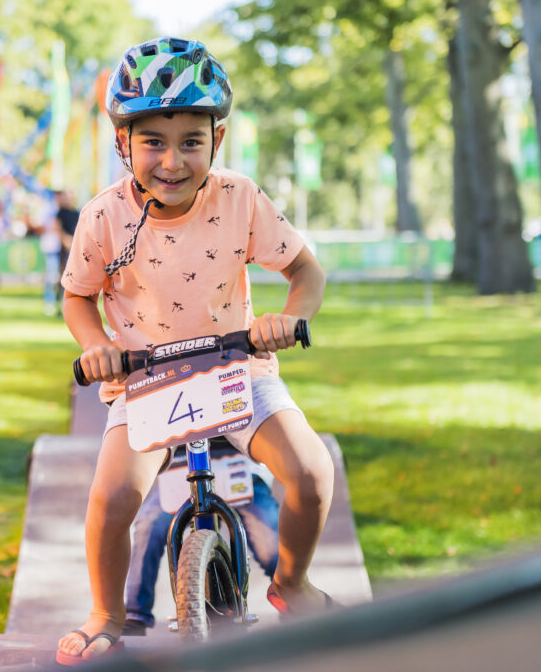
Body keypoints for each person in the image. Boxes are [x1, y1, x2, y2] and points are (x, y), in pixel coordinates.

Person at [56, 37, 333, 665]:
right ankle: (106, 612)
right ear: (122, 143)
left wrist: (289, 319)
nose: (173, 161)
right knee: (110, 501)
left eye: (191, 141)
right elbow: (77, 297)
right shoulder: (103, 217)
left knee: (311, 472)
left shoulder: (239, 198)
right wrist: (96, 343)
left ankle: (291, 583)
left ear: (218, 139)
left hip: (237, 367)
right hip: (147, 380)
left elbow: (306, 273)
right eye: (153, 141)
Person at [122, 441, 280, 636]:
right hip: (182, 466)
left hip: (238, 461)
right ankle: (136, 612)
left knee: (269, 543)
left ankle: (290, 592)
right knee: (149, 523)